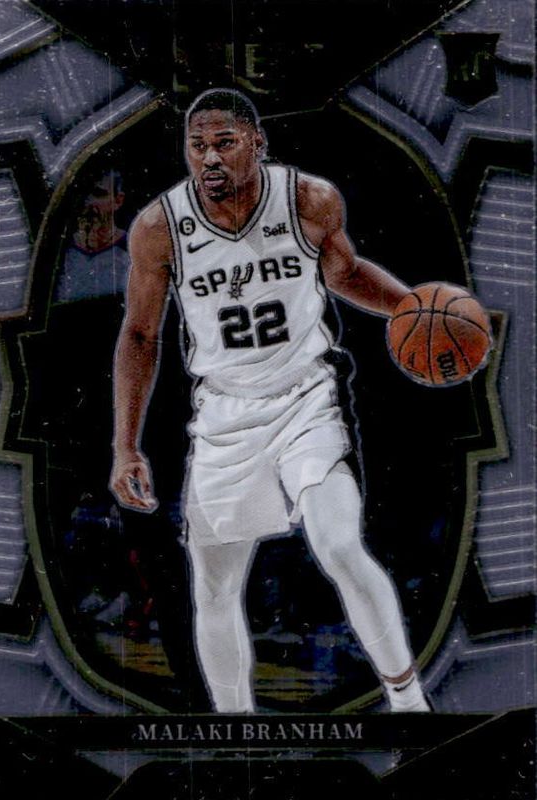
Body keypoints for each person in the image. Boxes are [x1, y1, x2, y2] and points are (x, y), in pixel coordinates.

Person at [110, 88, 431, 713]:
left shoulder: (308, 199)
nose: (209, 158)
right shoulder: (159, 227)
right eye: (197, 146)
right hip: (225, 413)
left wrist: (412, 308)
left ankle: (409, 703)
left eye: (224, 143)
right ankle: (235, 730)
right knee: (213, 587)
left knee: (339, 544)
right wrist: (125, 446)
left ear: (257, 143)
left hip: (305, 397)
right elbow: (141, 335)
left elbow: (345, 274)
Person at [55, 168, 129, 302]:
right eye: (83, 193)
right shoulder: (58, 253)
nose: (88, 202)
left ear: (118, 200)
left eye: (98, 194)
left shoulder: (134, 252)